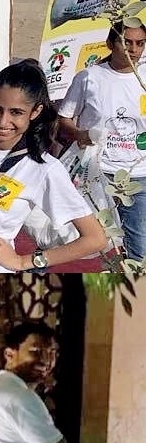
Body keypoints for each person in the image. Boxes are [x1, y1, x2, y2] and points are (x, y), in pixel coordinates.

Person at [0, 61, 106, 272]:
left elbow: (95, 239)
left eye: (16, 112)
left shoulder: (43, 168)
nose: (3, 121)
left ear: (35, 111)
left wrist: (25, 261)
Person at [57, 16, 146, 260]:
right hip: (94, 175)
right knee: (82, 242)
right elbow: (64, 118)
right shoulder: (89, 77)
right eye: (126, 42)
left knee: (138, 247)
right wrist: (80, 134)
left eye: (140, 43)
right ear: (110, 43)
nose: (134, 50)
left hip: (138, 176)